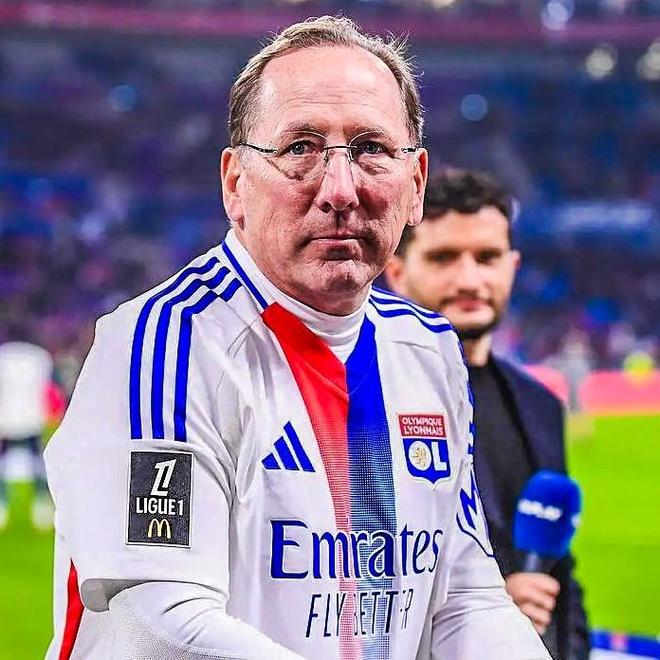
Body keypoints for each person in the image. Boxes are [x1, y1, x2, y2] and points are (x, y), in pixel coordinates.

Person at [45, 18, 550, 660]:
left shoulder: (428, 347)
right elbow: (163, 628)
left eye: (371, 148)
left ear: (416, 185)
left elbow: (466, 599)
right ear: (236, 184)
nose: (340, 191)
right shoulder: (164, 346)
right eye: (300, 149)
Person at [386, 168, 590, 660]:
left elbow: (559, 574)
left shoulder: (539, 405)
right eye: (443, 258)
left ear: (513, 266)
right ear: (397, 272)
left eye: (487, 257)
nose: (469, 279)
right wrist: (482, 608)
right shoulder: (365, 396)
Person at [0, 323, 55, 531]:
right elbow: (48, 386)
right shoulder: (40, 357)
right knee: (38, 464)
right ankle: (42, 509)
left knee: (3, 463)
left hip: (6, 417)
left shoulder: (3, 356)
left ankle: (2, 507)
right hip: (32, 417)